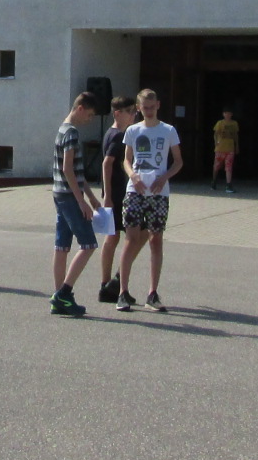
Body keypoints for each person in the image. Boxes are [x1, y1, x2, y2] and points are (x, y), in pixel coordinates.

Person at [117, 88, 182, 312]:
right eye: (145, 108)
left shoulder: (168, 130)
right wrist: (132, 175)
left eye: (152, 107)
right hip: (135, 190)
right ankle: (123, 292)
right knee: (131, 238)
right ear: (138, 108)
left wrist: (164, 177)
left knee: (156, 239)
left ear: (158, 105)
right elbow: (126, 160)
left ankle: (152, 293)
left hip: (158, 192)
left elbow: (178, 161)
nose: (149, 111)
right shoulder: (133, 130)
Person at [50, 91, 103, 316]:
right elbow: (68, 169)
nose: (89, 119)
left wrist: (90, 196)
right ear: (80, 108)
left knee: (62, 246)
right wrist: (82, 202)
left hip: (60, 194)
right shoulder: (71, 133)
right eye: (89, 115)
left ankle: (58, 297)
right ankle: (64, 293)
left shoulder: (62, 129)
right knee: (89, 245)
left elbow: (76, 172)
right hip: (70, 196)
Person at [96, 95, 138, 302]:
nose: (133, 115)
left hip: (115, 193)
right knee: (128, 237)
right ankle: (110, 284)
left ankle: (109, 285)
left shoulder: (114, 133)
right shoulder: (117, 135)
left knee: (113, 237)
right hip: (116, 194)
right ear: (118, 113)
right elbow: (107, 164)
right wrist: (108, 196)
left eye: (134, 111)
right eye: (130, 112)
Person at [211, 107, 240, 193]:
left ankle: (228, 185)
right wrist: (216, 143)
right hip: (220, 148)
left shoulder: (234, 124)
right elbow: (215, 134)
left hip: (230, 148)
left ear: (231, 114)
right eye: (226, 113)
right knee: (216, 166)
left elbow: (236, 135)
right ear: (223, 114)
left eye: (229, 113)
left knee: (228, 167)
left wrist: (237, 146)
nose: (227, 115)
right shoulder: (220, 123)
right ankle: (214, 181)